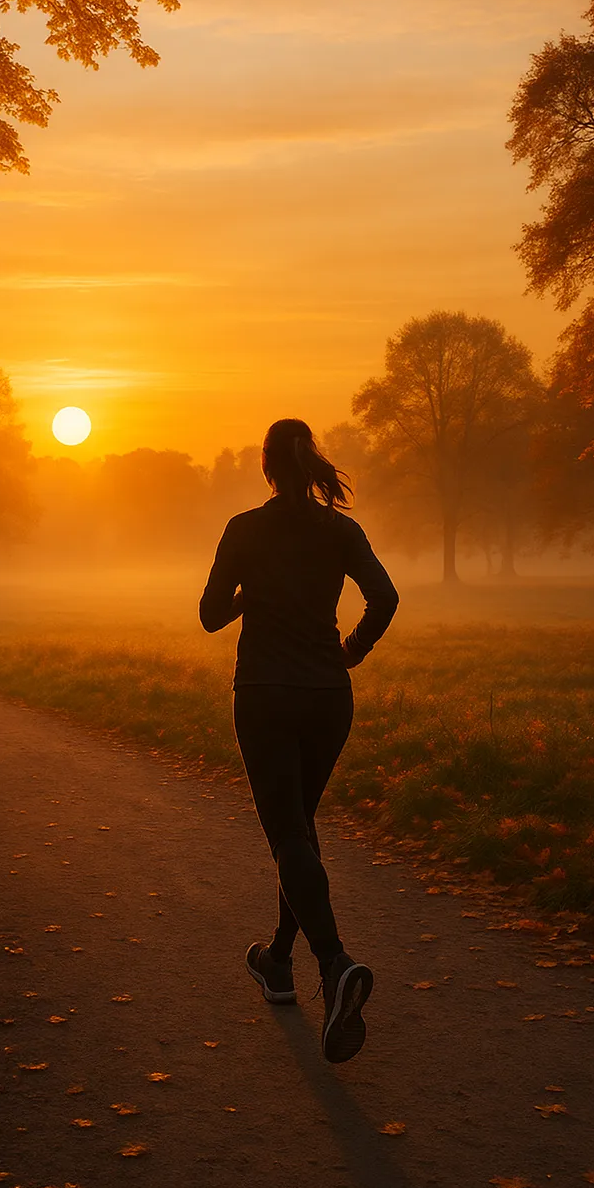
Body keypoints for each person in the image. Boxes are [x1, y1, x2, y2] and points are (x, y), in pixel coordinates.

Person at [199, 418, 398, 1063]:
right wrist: (352, 652)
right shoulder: (340, 529)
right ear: (309, 463)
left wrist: (248, 594)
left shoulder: (244, 528)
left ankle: (335, 963)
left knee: (288, 835)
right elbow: (385, 596)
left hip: (263, 696)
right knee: (301, 832)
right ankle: (278, 960)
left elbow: (208, 615)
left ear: (265, 468)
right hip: (326, 699)